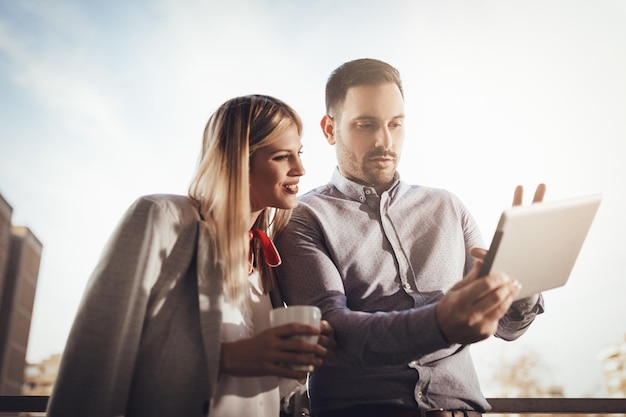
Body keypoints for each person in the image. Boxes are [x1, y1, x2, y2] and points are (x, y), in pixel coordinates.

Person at [274, 58, 546, 417]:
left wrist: (520, 279)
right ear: (329, 129)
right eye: (366, 124)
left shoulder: (448, 206)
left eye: (395, 124)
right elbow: (333, 333)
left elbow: (509, 328)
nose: (385, 140)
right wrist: (441, 322)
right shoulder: (302, 218)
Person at [46, 94, 336, 417]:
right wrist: (229, 357)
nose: (300, 168)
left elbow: (257, 393)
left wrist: (292, 366)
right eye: (283, 157)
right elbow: (97, 356)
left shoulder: (267, 257)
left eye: (299, 153)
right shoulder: (161, 219)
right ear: (240, 159)